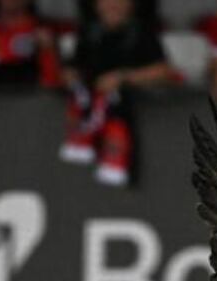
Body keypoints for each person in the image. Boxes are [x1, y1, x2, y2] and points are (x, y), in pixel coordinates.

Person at [60, 0, 171, 187]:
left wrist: (124, 77)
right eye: (106, 1)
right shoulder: (89, 32)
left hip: (133, 114)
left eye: (120, 1)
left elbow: (164, 72)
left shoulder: (141, 33)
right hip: (92, 112)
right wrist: (71, 75)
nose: (113, 5)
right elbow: (75, 66)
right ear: (96, 5)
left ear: (132, 5)